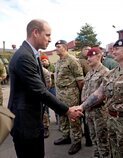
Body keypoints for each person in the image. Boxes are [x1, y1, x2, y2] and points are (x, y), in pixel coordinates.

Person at [8, 19, 82, 158]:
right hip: (26, 124)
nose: (50, 39)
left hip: (31, 121)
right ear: (35, 32)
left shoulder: (31, 54)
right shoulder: (24, 56)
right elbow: (39, 91)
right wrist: (67, 111)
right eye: (47, 35)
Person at [54, 40, 84, 155]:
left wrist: (80, 96)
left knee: (73, 117)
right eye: (55, 46)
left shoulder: (72, 60)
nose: (56, 48)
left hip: (71, 94)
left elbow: (80, 80)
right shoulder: (58, 62)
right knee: (62, 116)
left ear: (65, 48)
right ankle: (65, 136)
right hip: (60, 94)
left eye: (58, 46)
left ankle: (77, 141)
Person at [81, 47, 110, 158]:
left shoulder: (105, 72)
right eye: (87, 56)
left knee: (103, 140)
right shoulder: (89, 73)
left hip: (100, 112)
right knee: (94, 138)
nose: (88, 59)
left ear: (99, 56)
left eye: (91, 56)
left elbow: (103, 95)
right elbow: (84, 90)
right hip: (89, 112)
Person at [78, 45, 92, 147]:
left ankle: (89, 137)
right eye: (86, 49)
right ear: (82, 51)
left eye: (89, 49)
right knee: (86, 117)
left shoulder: (88, 60)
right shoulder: (81, 61)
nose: (88, 51)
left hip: (89, 93)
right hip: (84, 92)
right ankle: (89, 139)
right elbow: (81, 80)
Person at [40, 54, 52, 138]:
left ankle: (45, 128)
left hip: (41, 92)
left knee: (44, 111)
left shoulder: (44, 71)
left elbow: (48, 83)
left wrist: (44, 91)